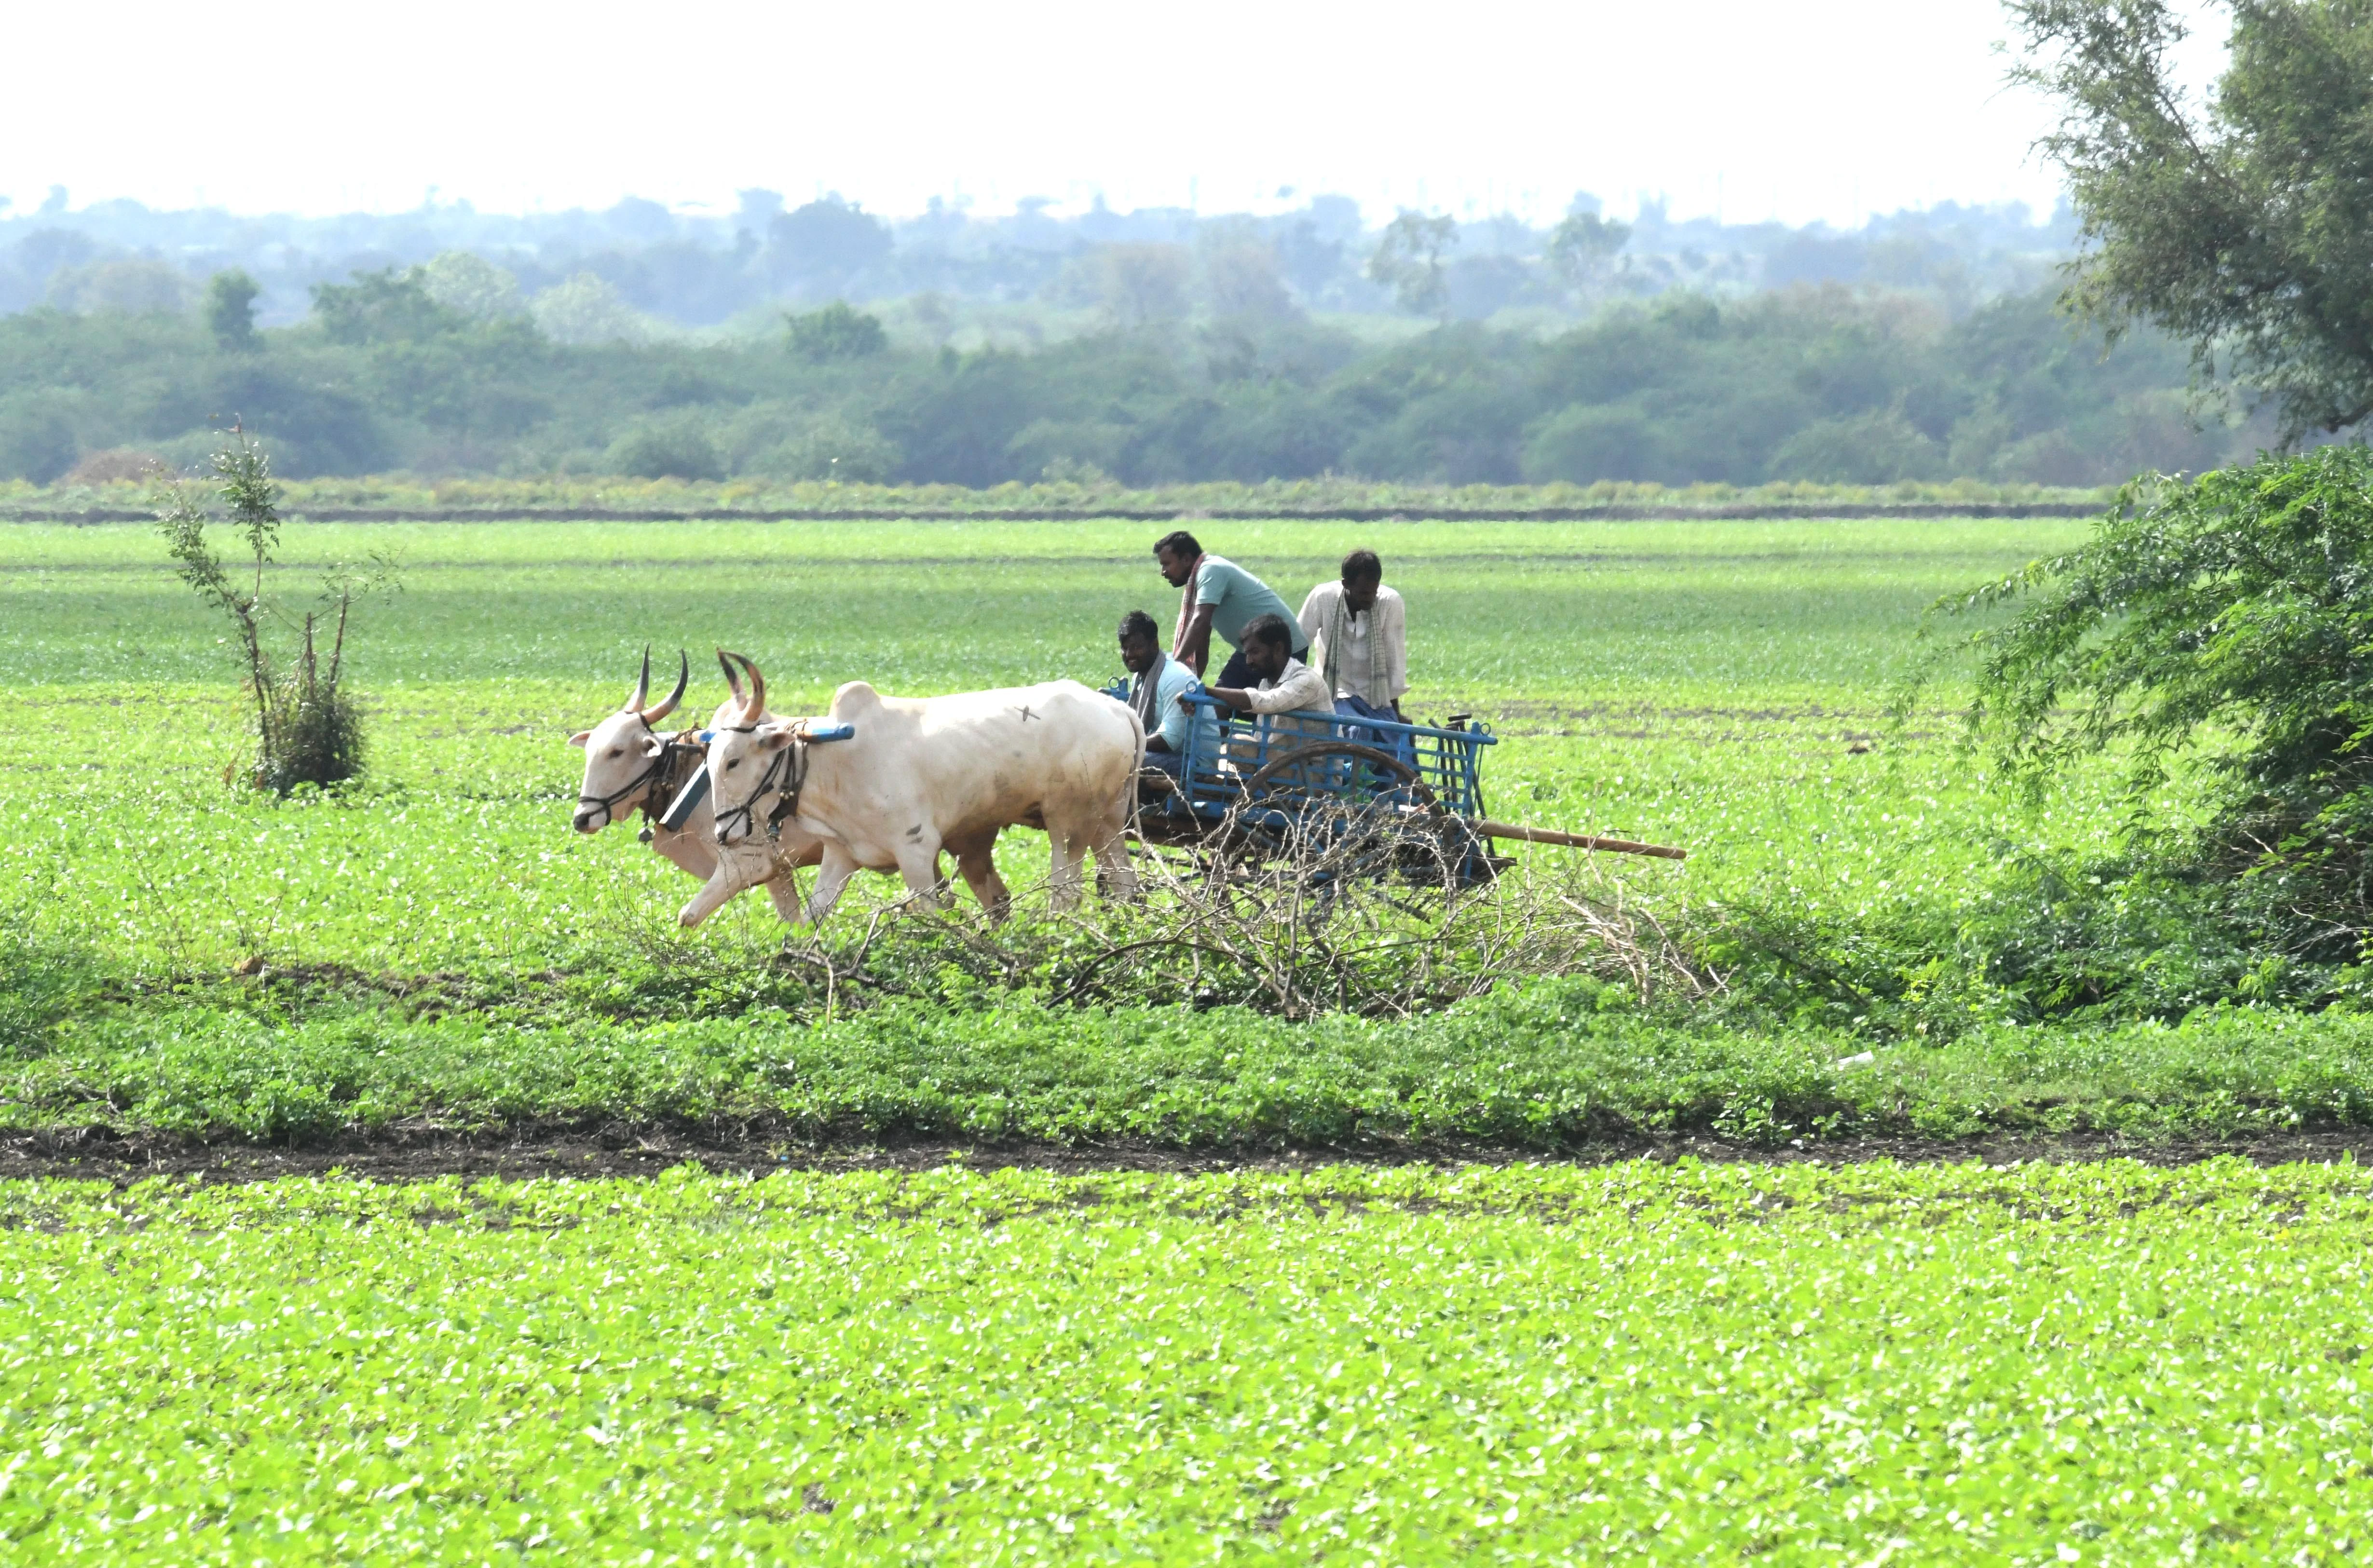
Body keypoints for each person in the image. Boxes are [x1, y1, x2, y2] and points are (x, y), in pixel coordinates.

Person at [1154, 530, 1310, 698]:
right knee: (1216, 706)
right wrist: (1189, 685)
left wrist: (1174, 667)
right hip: (1249, 651)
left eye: (1167, 564)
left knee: (1270, 711)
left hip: (1281, 651)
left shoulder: (1210, 570)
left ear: (1186, 560)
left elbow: (1200, 621)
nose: (1163, 572)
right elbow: (1201, 640)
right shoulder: (1200, 582)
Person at [1201, 613, 1337, 780]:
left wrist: (1208, 691)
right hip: (1285, 762)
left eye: (1255, 652)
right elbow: (1262, 738)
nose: (1249, 661)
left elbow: (1266, 702)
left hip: (1317, 776)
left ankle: (1222, 780)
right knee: (1224, 751)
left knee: (1237, 744)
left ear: (1278, 649)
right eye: (1248, 654)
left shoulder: (1306, 680)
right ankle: (1220, 781)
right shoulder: (1266, 683)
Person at [1297, 548, 1408, 723]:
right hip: (1334, 693)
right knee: (1358, 729)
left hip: (1375, 696)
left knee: (1394, 736)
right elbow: (1299, 643)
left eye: (1374, 592)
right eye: (1364, 593)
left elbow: (1394, 661)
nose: (1371, 599)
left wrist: (1395, 714)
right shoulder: (1323, 597)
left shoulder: (1389, 602)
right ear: (1346, 584)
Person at [1117, 609, 1212, 784]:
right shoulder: (1140, 677)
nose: (1130, 655)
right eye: (1125, 648)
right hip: (1173, 756)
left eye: (1137, 647)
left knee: (1123, 758)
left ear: (1155, 645)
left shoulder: (1174, 678)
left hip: (1195, 763)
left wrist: (1125, 744)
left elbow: (1169, 740)